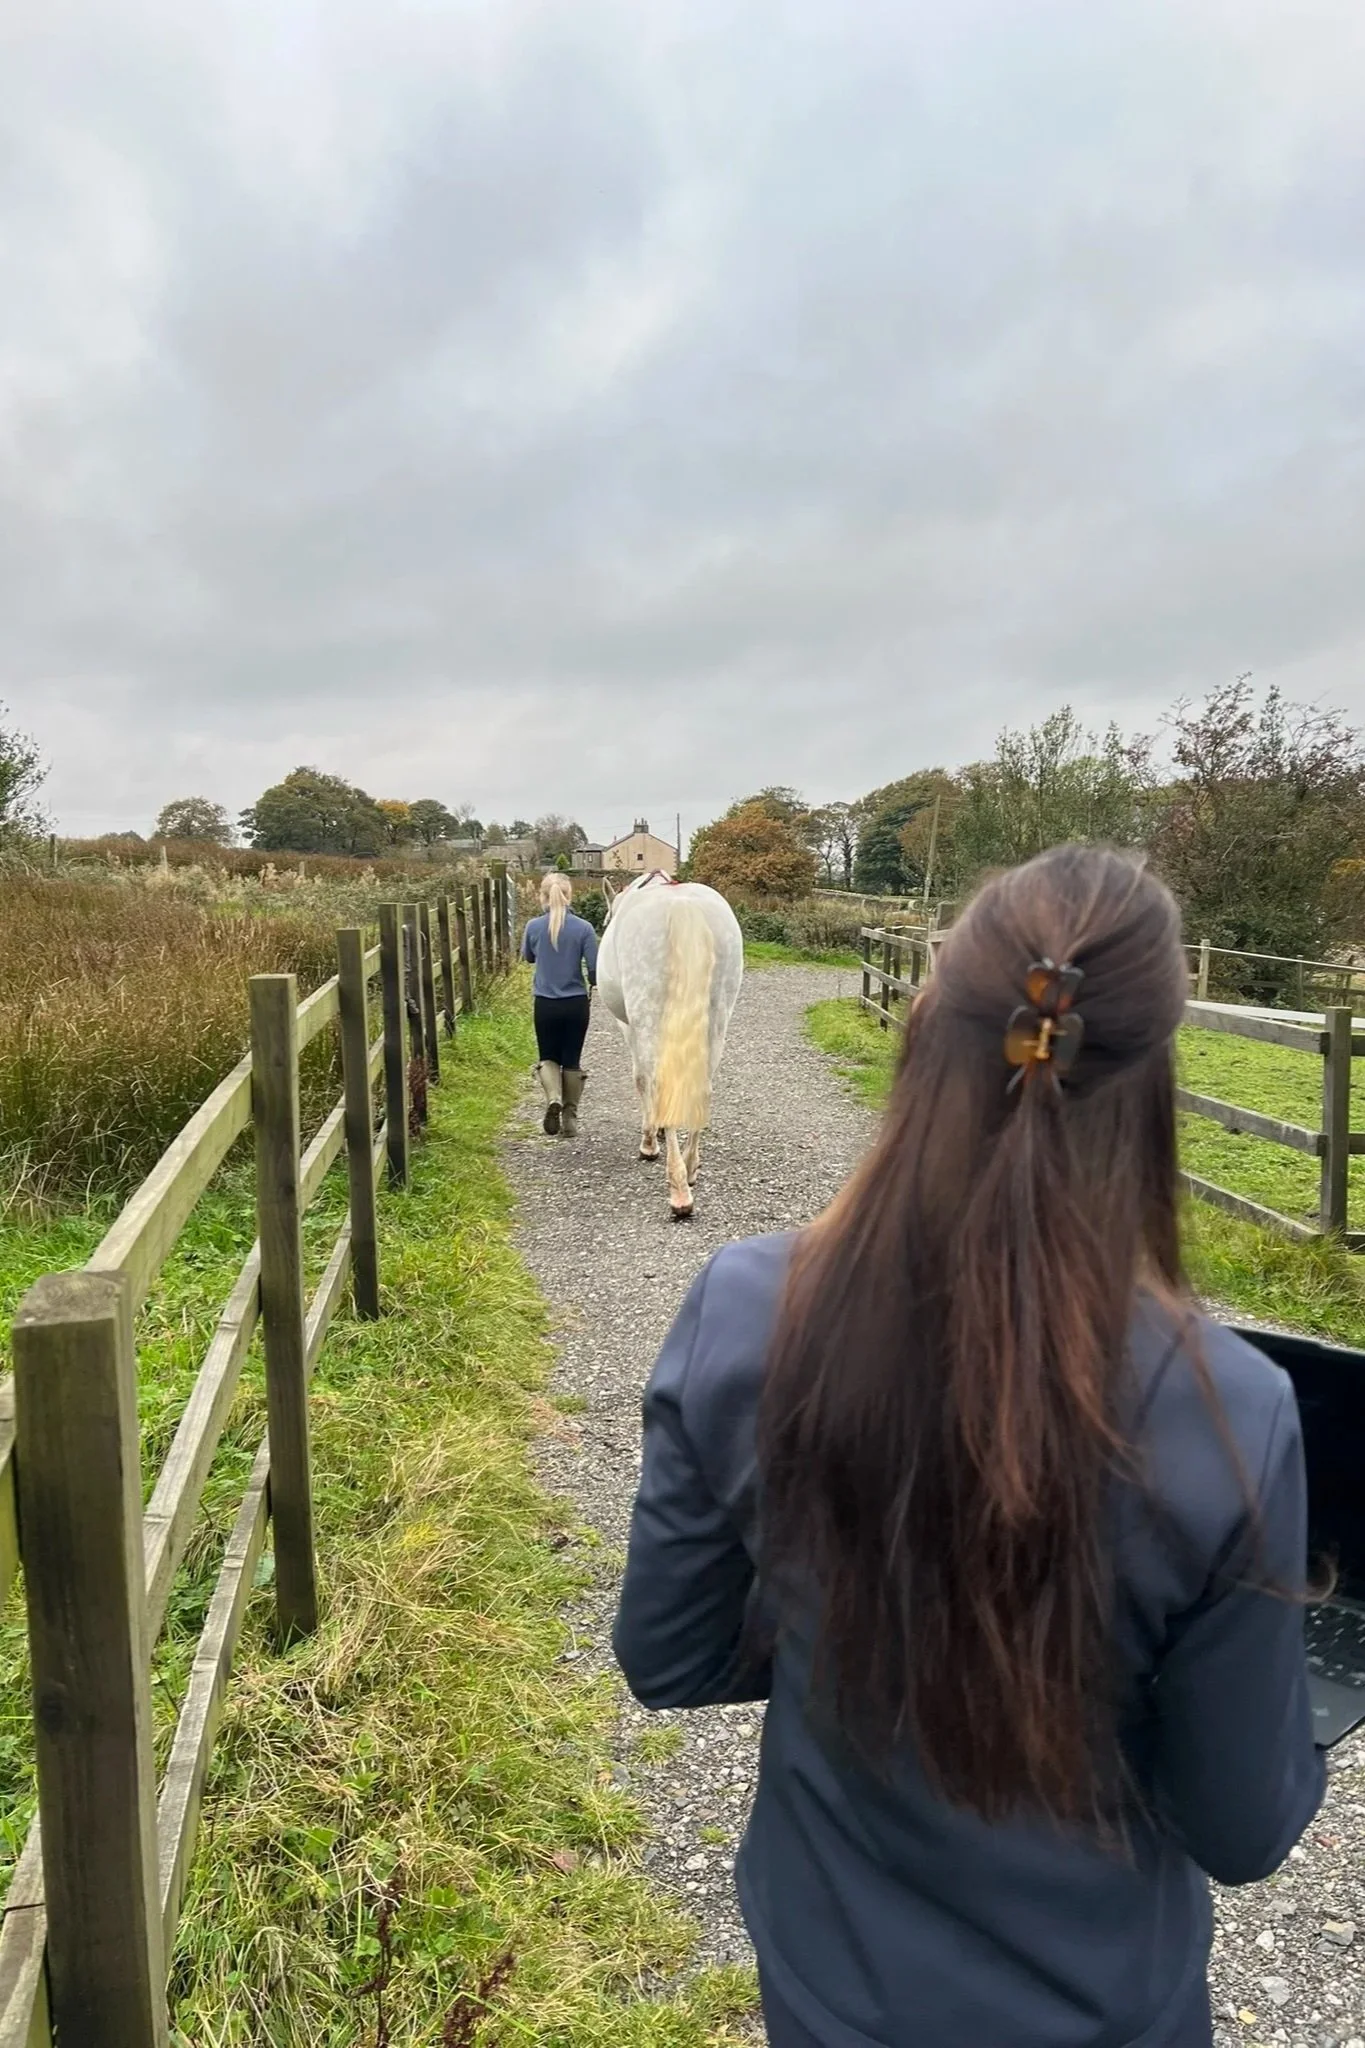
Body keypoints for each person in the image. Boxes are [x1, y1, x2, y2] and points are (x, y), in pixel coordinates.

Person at [612, 846, 1325, 2048]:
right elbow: (1243, 1825)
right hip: (1105, 2010)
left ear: (931, 1024)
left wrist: (851, 1612)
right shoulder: (1235, 1410)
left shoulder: (743, 1309)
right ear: (1153, 1080)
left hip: (829, 1987)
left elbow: (670, 1652)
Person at [521, 873, 598, 1136]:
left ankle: (553, 1097)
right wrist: (592, 982)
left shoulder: (533, 926)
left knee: (548, 1057)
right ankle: (570, 1120)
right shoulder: (585, 928)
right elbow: (595, 969)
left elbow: (528, 957)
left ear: (542, 896)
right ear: (570, 895)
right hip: (575, 1003)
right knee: (572, 1060)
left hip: (545, 1004)